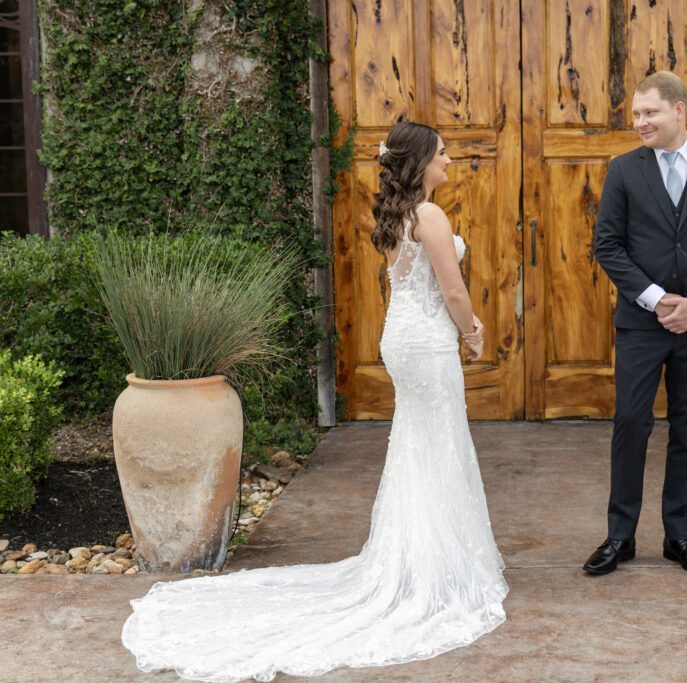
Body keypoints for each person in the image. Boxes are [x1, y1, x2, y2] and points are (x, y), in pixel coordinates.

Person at [121, 121, 507, 681]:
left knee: (420, 444)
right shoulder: (430, 215)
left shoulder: (400, 215)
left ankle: (422, 557)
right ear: (420, 161)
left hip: (403, 337)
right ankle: (433, 569)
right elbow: (451, 289)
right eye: (443, 153)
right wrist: (473, 332)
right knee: (437, 441)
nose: (450, 159)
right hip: (426, 344)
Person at [586, 71, 687, 576]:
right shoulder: (623, 170)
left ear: (680, 111)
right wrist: (656, 301)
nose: (640, 122)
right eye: (636, 114)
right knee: (631, 423)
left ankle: (679, 535)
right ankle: (620, 536)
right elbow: (607, 245)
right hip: (641, 323)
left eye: (649, 112)